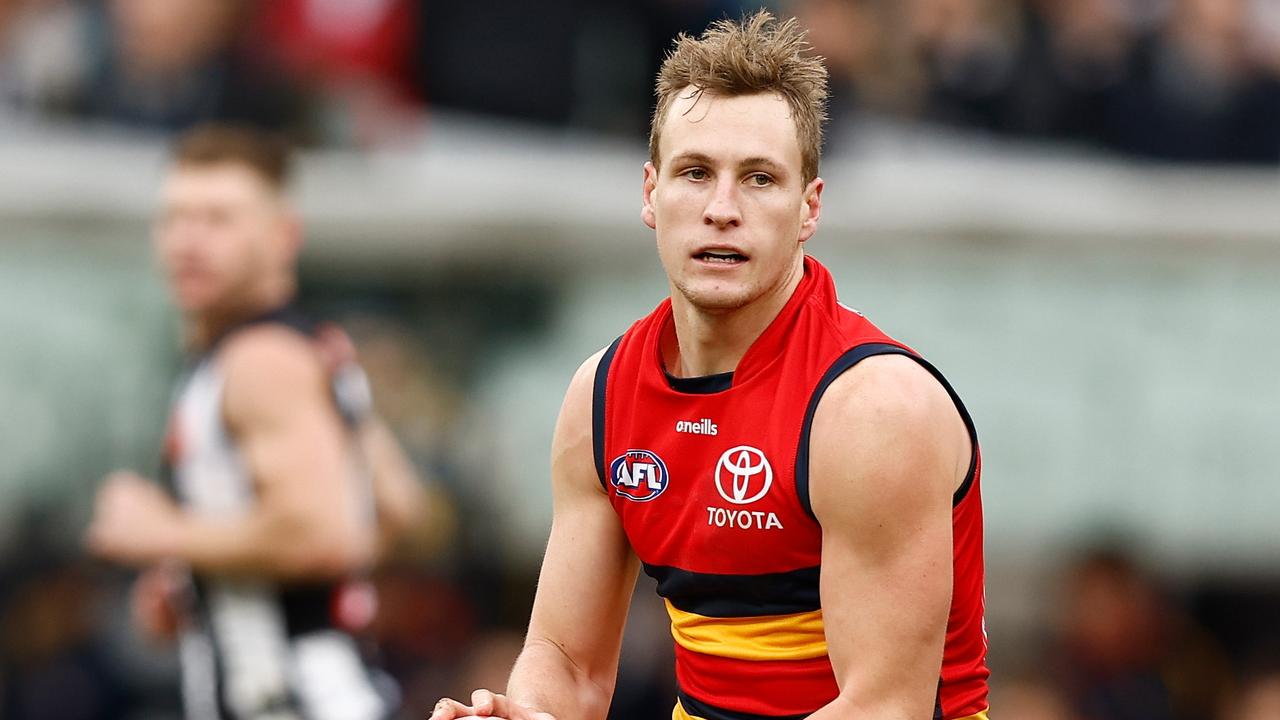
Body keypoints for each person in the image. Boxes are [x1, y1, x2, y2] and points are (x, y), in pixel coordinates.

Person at [431, 11, 989, 720]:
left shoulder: (872, 408)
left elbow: (884, 709)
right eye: (695, 173)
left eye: (759, 179)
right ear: (649, 193)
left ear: (809, 208)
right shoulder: (601, 396)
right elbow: (567, 664)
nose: (722, 209)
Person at [85, 124, 432, 720]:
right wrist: (210, 581)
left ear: (283, 236)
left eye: (218, 219)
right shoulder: (312, 346)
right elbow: (400, 508)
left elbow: (319, 533)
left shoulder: (259, 361)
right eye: (174, 218)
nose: (187, 242)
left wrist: (163, 532)